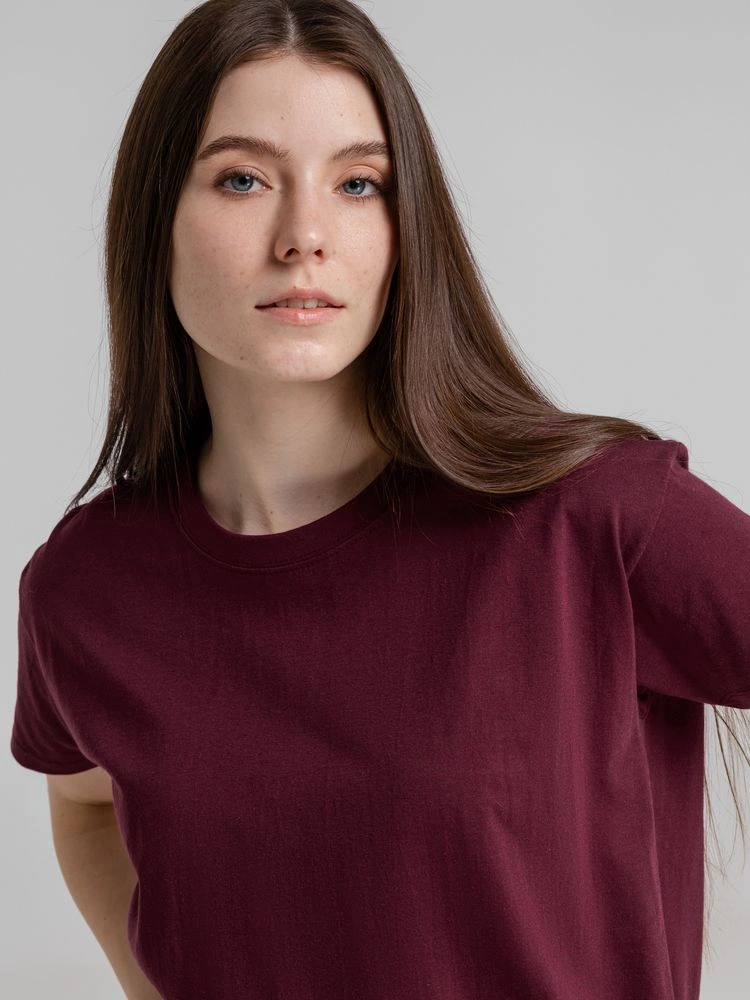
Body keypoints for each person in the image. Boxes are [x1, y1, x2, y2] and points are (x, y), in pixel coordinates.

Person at [9, 1, 750, 998]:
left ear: (407, 229)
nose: (305, 237)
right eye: (242, 178)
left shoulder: (594, 518)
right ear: (156, 220)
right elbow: (86, 805)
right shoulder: (86, 586)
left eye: (358, 183)